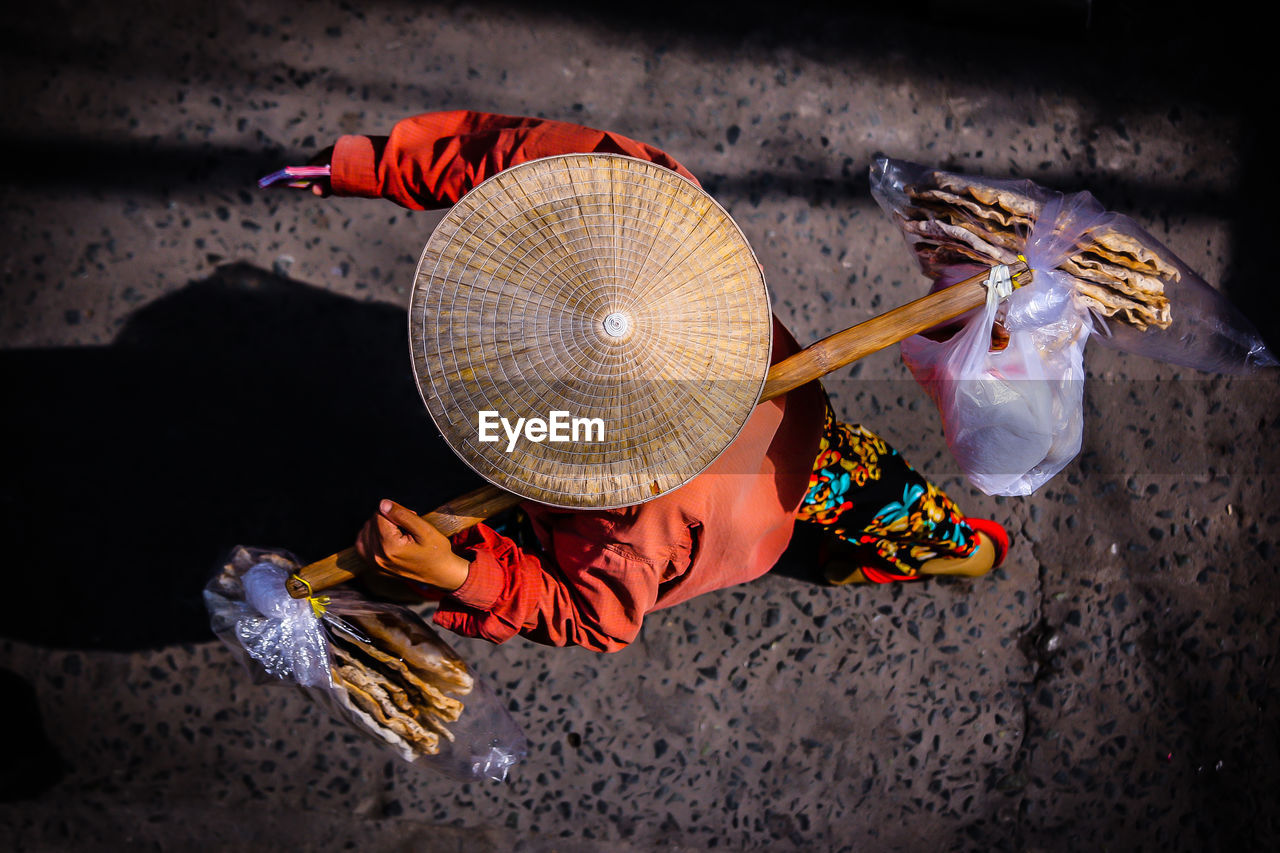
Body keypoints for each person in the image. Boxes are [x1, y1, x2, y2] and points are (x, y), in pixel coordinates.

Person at [287, 110, 1009, 653]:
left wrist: (456, 574)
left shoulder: (618, 521)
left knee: (496, 553)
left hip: (730, 531)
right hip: (806, 440)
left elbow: (591, 617)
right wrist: (380, 165)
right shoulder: (653, 207)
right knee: (881, 493)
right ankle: (953, 546)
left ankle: (918, 546)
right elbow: (534, 158)